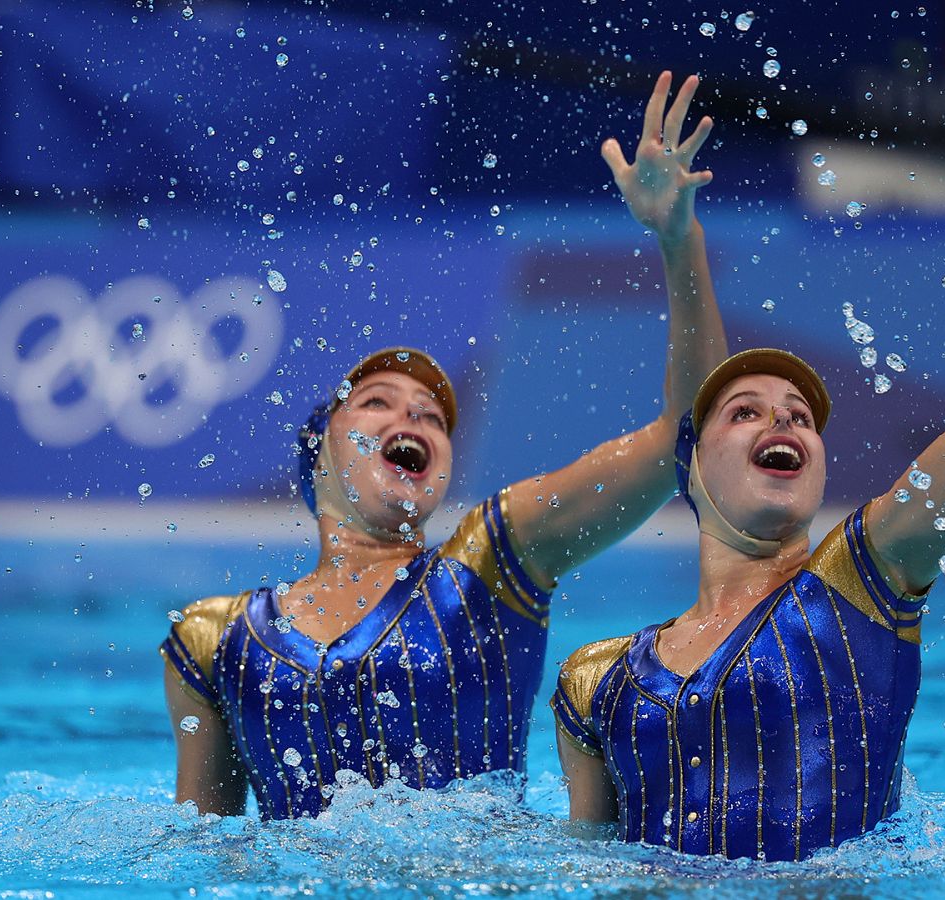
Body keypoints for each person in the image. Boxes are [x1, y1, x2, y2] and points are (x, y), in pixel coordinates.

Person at [159, 71, 732, 820]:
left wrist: (677, 239)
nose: (415, 421)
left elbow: (689, 439)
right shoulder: (215, 640)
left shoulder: (492, 568)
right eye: (377, 404)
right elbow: (207, 848)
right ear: (318, 454)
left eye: (433, 417)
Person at [551, 15, 945, 860]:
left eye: (800, 414)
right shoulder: (594, 683)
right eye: (744, 411)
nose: (784, 418)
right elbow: (585, 868)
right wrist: (681, 238)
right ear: (691, 467)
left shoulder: (865, 579)